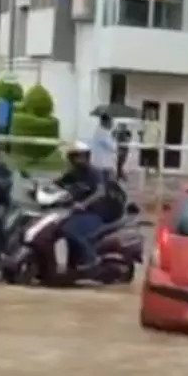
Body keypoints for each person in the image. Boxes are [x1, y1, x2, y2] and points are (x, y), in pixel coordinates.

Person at [54, 142, 110, 270]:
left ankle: (91, 258)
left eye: (79, 156)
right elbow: (57, 183)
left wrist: (84, 204)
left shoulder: (94, 173)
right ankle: (72, 265)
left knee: (71, 230)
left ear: (86, 156)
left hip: (94, 213)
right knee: (60, 228)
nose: (77, 160)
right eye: (74, 157)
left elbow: (100, 192)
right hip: (77, 212)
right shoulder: (74, 173)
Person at [89, 113, 117, 179]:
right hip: (103, 165)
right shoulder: (102, 133)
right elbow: (112, 147)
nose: (112, 124)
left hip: (103, 164)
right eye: (111, 122)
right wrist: (114, 137)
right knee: (106, 184)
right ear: (105, 122)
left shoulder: (103, 132)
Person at [140, 107, 162, 176]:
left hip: (154, 144)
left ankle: (157, 172)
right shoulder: (145, 123)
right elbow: (141, 133)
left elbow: (159, 133)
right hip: (146, 143)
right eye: (151, 114)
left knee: (155, 158)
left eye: (153, 114)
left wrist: (158, 142)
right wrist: (142, 142)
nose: (152, 115)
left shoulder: (157, 123)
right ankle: (147, 172)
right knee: (147, 158)